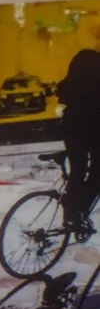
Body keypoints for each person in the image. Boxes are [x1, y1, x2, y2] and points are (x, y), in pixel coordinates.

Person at [60, 46, 100, 235]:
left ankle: (71, 214)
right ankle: (80, 211)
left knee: (78, 169)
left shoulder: (82, 59)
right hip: (92, 124)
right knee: (97, 171)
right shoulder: (96, 64)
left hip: (71, 122)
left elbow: (63, 91)